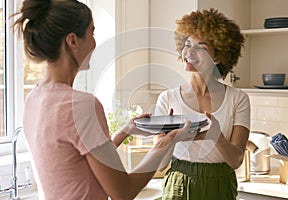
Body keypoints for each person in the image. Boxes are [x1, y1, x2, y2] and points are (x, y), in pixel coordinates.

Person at [12, 0, 197, 199]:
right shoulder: (80, 105)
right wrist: (167, 143)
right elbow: (123, 191)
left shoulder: (33, 99)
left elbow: (80, 161)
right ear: (73, 41)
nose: (94, 43)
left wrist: (126, 130)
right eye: (92, 33)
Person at [154, 8, 250, 199]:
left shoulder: (238, 98)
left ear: (217, 57)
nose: (189, 51)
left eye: (201, 47)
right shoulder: (168, 99)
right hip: (179, 183)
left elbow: (236, 160)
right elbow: (160, 164)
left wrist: (216, 136)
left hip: (221, 184)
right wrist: (172, 137)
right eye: (187, 44)